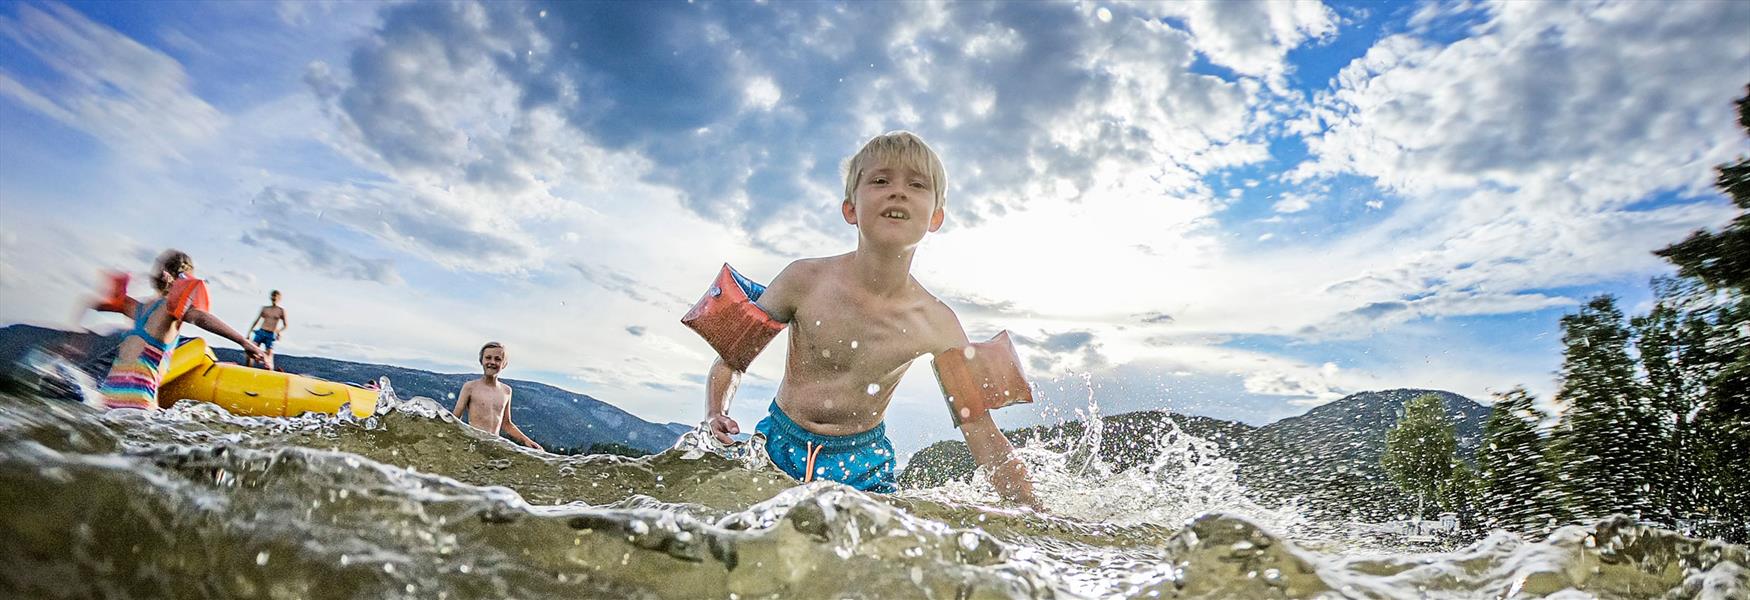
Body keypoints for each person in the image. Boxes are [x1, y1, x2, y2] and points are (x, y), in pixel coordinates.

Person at [699, 131, 1039, 508]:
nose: (898, 192)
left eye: (917, 184)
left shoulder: (936, 322)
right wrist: (716, 413)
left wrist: (1033, 512)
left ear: (935, 217)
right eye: (880, 181)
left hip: (863, 466)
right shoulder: (804, 280)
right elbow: (732, 360)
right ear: (850, 209)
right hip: (777, 446)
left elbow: (980, 429)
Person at [91, 249, 265, 410]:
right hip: (134, 406)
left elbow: (99, 304)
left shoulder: (140, 308)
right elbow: (201, 317)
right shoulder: (164, 309)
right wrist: (243, 341)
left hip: (112, 401)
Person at [451, 342, 544, 451]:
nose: (492, 362)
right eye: (488, 358)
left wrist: (526, 441)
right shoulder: (470, 387)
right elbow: (455, 418)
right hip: (474, 444)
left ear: (504, 364)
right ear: (481, 360)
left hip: (495, 446)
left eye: (498, 359)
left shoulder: (506, 391)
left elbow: (506, 424)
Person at [245, 290, 288, 370]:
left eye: (276, 297)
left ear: (279, 298)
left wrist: (278, 332)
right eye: (273, 296)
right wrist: (248, 333)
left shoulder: (281, 310)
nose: (274, 298)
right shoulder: (265, 308)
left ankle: (269, 372)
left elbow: (285, 325)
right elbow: (256, 320)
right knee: (251, 350)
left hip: (270, 335)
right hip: (261, 332)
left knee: (269, 357)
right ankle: (247, 370)